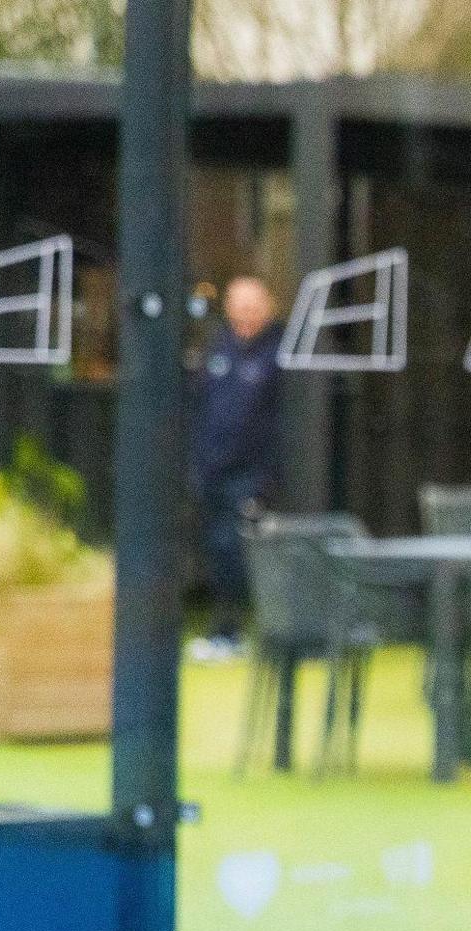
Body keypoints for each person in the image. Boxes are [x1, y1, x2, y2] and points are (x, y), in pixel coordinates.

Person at [188, 275, 284, 662]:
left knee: (242, 551)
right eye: (238, 303)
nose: (245, 311)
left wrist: (268, 477)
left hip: (253, 476)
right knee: (217, 550)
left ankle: (244, 632)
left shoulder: (278, 353)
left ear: (267, 307)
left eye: (253, 304)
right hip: (213, 472)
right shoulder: (217, 348)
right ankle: (224, 630)